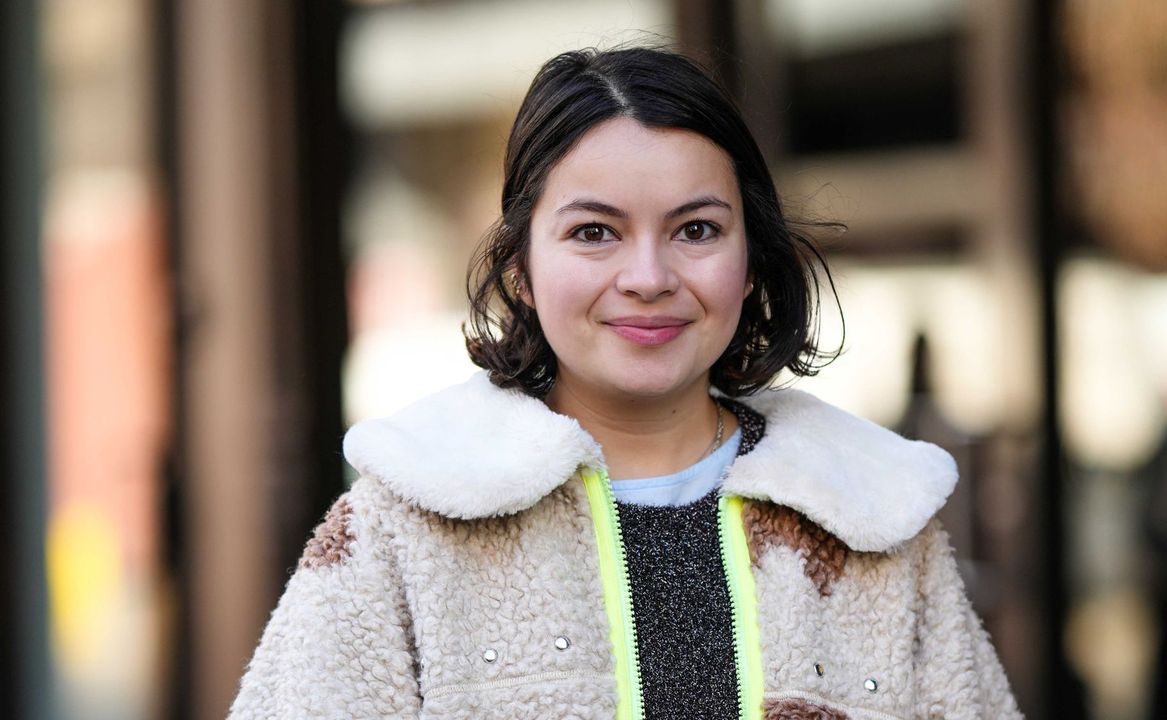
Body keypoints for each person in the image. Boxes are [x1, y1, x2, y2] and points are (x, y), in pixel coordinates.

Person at [230, 46, 1022, 719]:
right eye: (594, 233)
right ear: (522, 271)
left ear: (751, 264)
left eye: (697, 230)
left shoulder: (874, 519)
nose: (648, 277)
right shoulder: (402, 526)